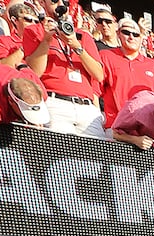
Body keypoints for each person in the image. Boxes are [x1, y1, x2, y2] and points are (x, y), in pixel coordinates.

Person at [22, 3, 105, 138]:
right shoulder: (34, 30)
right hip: (55, 102)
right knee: (59, 149)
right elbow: (35, 72)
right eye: (54, 1)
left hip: (86, 106)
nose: (60, 4)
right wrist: (46, 40)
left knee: (95, 151)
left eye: (65, 2)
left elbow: (99, 75)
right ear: (43, 3)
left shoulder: (82, 35)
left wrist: (76, 45)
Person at [98, 15, 154, 128]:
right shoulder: (106, 56)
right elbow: (95, 90)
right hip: (117, 128)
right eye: (126, 32)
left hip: (150, 130)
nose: (131, 37)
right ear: (118, 34)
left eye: (136, 34)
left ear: (141, 38)